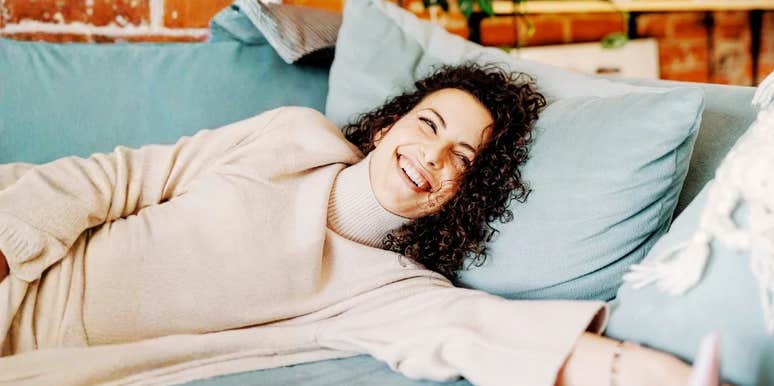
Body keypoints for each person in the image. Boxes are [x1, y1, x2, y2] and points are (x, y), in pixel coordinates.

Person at [0, 63, 698, 386]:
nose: (432, 153)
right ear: (390, 124)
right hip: (25, 258)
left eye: (462, 156)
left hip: (43, 356)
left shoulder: (386, 286)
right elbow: (119, 177)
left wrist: (648, 373)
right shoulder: (291, 138)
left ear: (465, 192)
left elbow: (478, 334)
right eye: (429, 124)